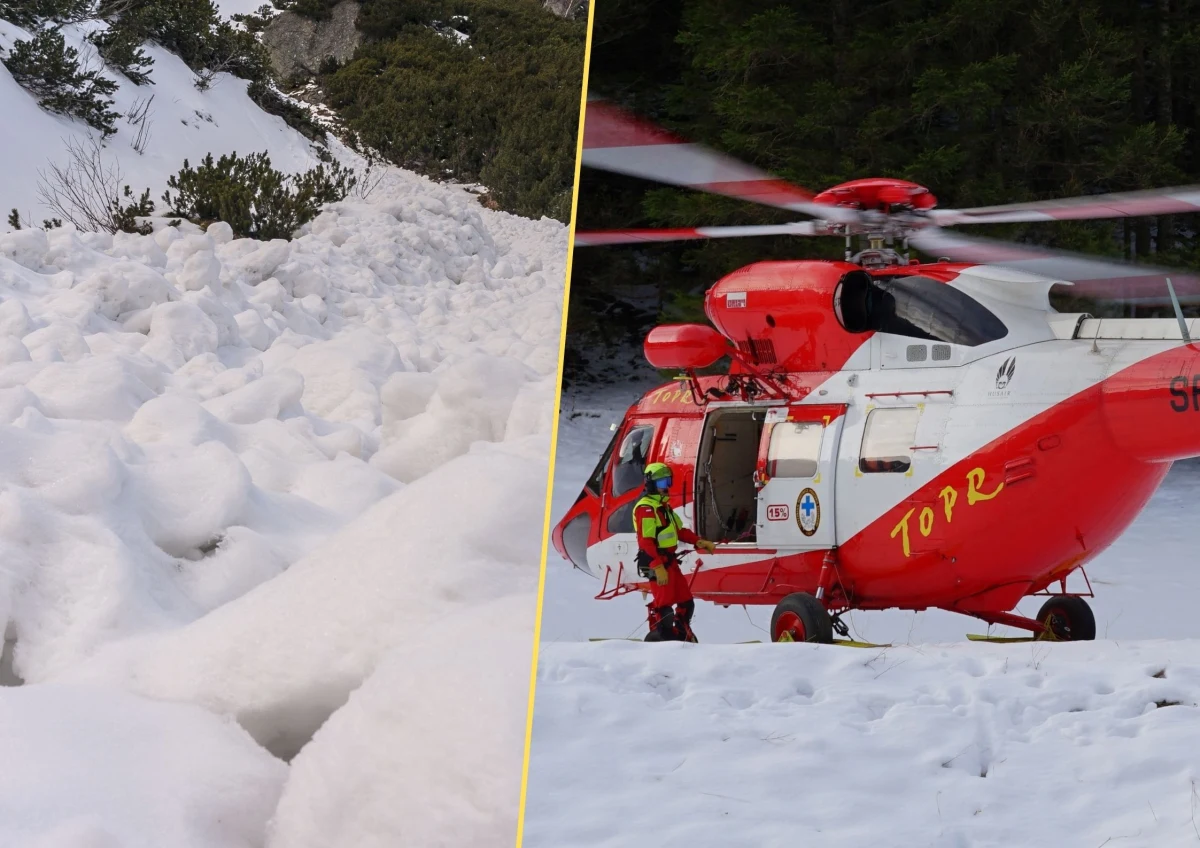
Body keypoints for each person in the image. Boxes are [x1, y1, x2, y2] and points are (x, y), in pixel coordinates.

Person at [633, 462, 716, 642]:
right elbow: (645, 542)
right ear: (651, 484)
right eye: (662, 483)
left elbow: (679, 531)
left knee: (686, 602)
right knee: (664, 607)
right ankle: (664, 641)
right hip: (656, 562)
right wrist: (657, 567)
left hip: (669, 562)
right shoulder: (646, 509)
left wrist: (699, 541)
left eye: (668, 481)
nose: (667, 487)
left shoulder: (664, 507)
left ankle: (681, 635)